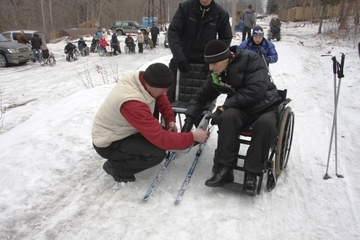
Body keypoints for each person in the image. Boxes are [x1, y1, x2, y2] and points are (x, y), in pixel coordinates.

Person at [181, 40, 282, 195]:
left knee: (265, 124)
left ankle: (252, 173)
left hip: (265, 106)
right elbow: (201, 97)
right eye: (208, 63)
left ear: (226, 58)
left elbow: (256, 90)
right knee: (227, 118)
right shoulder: (218, 74)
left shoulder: (250, 59)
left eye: (213, 63)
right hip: (241, 109)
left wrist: (224, 107)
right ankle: (225, 169)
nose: (210, 68)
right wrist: (188, 120)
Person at [91, 63, 210, 183]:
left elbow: (160, 97)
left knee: (160, 137)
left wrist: (170, 120)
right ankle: (117, 168)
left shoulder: (140, 80)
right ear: (152, 85)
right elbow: (162, 139)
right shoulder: (132, 103)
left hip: (124, 131)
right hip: (110, 143)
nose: (165, 91)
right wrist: (193, 136)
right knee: (156, 154)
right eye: (163, 88)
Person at [166, 0, 232, 103]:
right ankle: (168, 119)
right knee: (169, 98)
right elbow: (173, 32)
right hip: (182, 59)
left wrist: (214, 60)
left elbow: (226, 39)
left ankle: (197, 119)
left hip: (205, 63)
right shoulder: (185, 8)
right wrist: (179, 57)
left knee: (203, 101)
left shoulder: (220, 14)